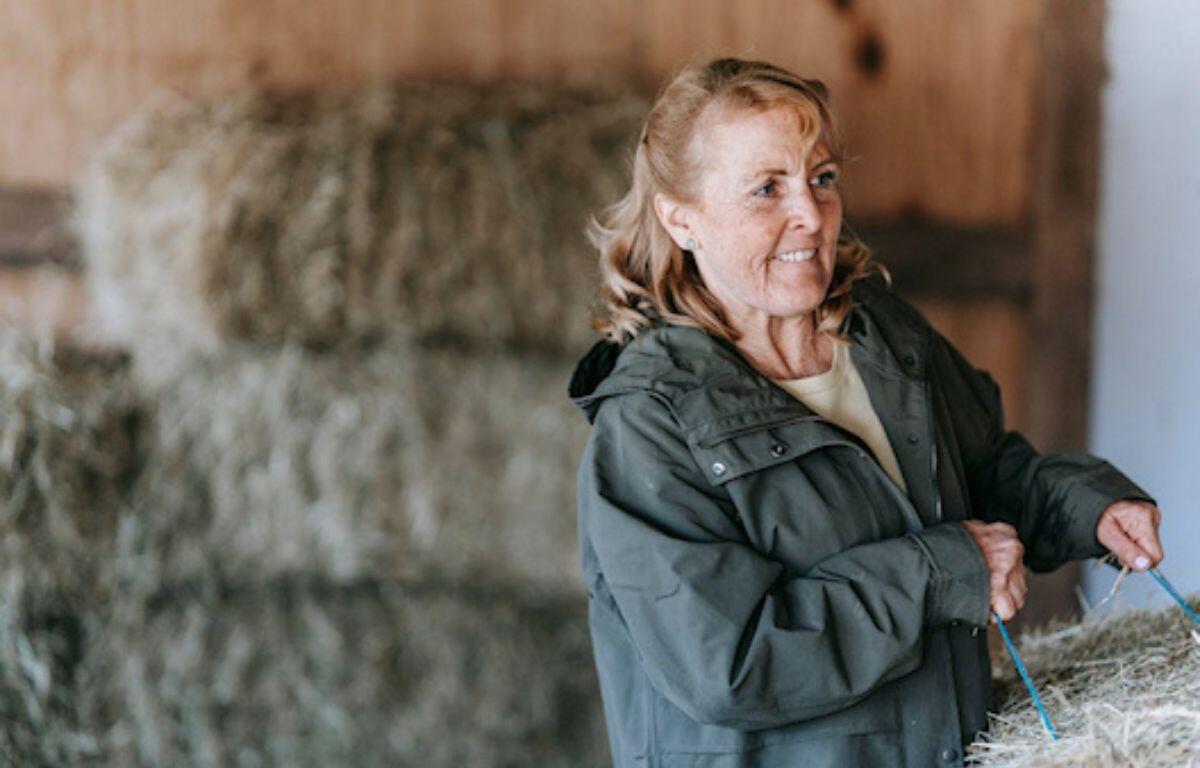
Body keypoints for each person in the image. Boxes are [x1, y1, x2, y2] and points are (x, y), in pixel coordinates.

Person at [567, 58, 1164, 768]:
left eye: (821, 177)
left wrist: (1086, 506)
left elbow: (982, 473)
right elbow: (733, 662)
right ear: (681, 218)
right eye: (767, 189)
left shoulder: (880, 331)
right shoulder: (649, 422)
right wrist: (941, 572)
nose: (811, 214)